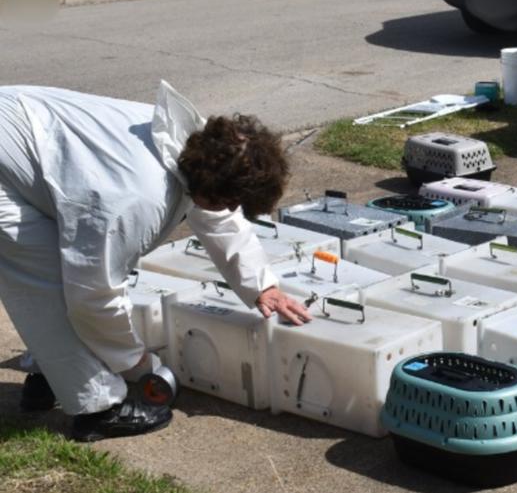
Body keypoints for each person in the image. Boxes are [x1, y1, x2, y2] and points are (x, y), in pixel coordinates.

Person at [0, 81, 312, 442]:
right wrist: (135, 361)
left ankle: (48, 379)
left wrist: (262, 285)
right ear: (212, 190)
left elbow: (219, 218)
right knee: (47, 282)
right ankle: (98, 410)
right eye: (231, 200)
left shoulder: (190, 146)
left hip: (21, 138)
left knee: (56, 278)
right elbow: (93, 296)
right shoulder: (137, 198)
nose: (232, 210)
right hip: (9, 161)